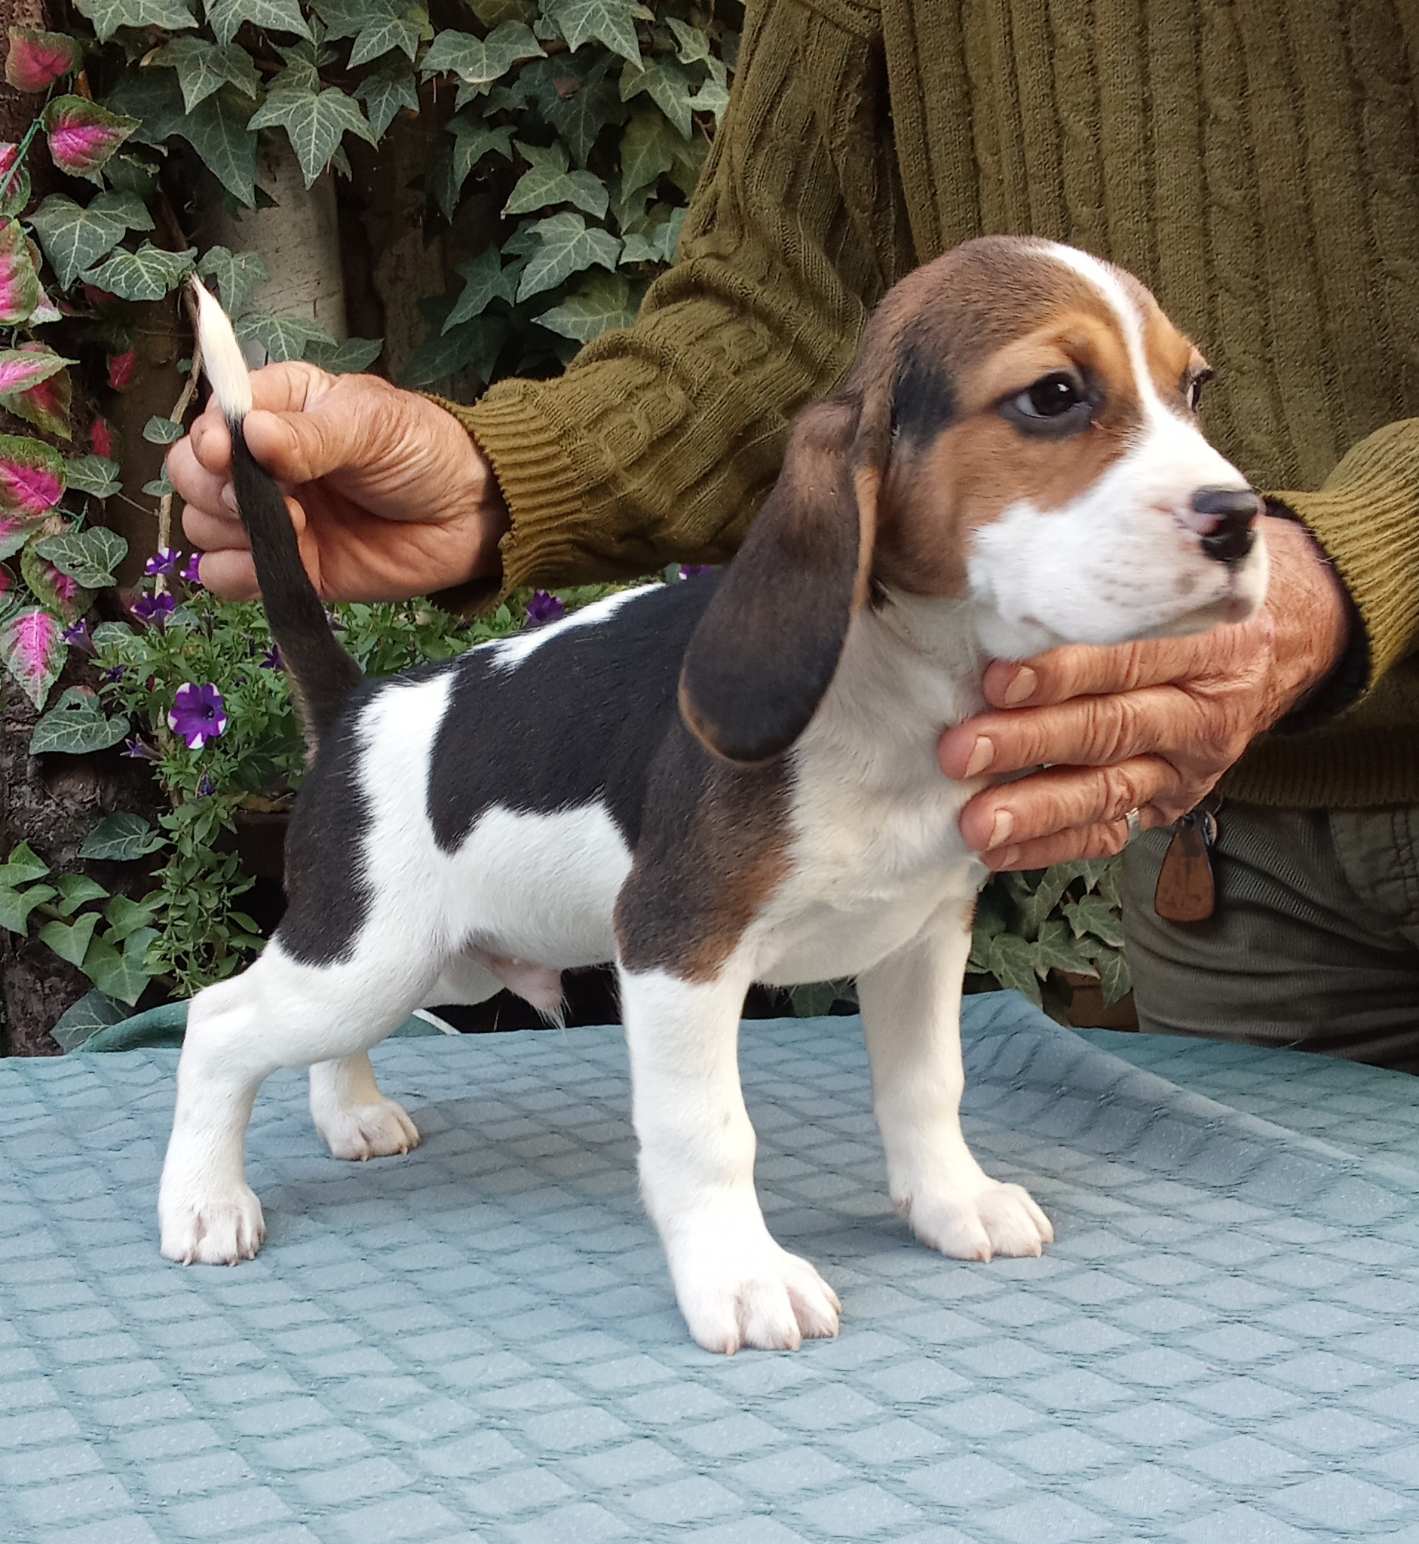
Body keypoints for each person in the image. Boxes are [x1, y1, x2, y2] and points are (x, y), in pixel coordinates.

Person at [169, 0, 1419, 1067]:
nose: (1216, 480)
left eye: (1187, 396)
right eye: (1058, 397)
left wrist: (1361, 563)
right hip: (1235, 852)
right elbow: (777, 311)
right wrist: (503, 473)